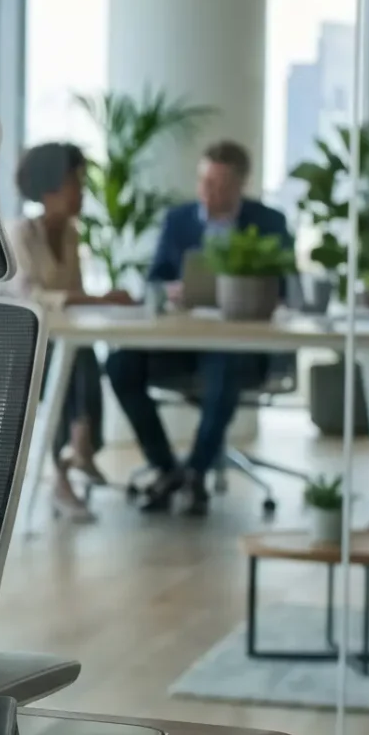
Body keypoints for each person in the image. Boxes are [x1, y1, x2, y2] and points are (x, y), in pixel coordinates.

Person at [104, 140, 292, 516]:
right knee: (121, 364)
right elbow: (154, 281)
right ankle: (165, 467)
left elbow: (285, 287)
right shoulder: (179, 220)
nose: (209, 192)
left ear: (241, 185)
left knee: (226, 367)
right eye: (204, 182)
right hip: (179, 345)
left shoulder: (269, 222)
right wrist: (170, 290)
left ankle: (196, 473)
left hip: (239, 348)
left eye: (220, 185)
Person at [7, 142, 133, 522]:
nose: (81, 191)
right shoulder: (20, 233)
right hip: (19, 349)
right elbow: (33, 296)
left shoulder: (71, 235)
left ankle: (74, 455)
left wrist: (96, 300)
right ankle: (77, 452)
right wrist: (98, 298)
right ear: (48, 190)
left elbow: (71, 300)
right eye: (73, 182)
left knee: (77, 355)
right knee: (69, 359)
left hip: (58, 343)